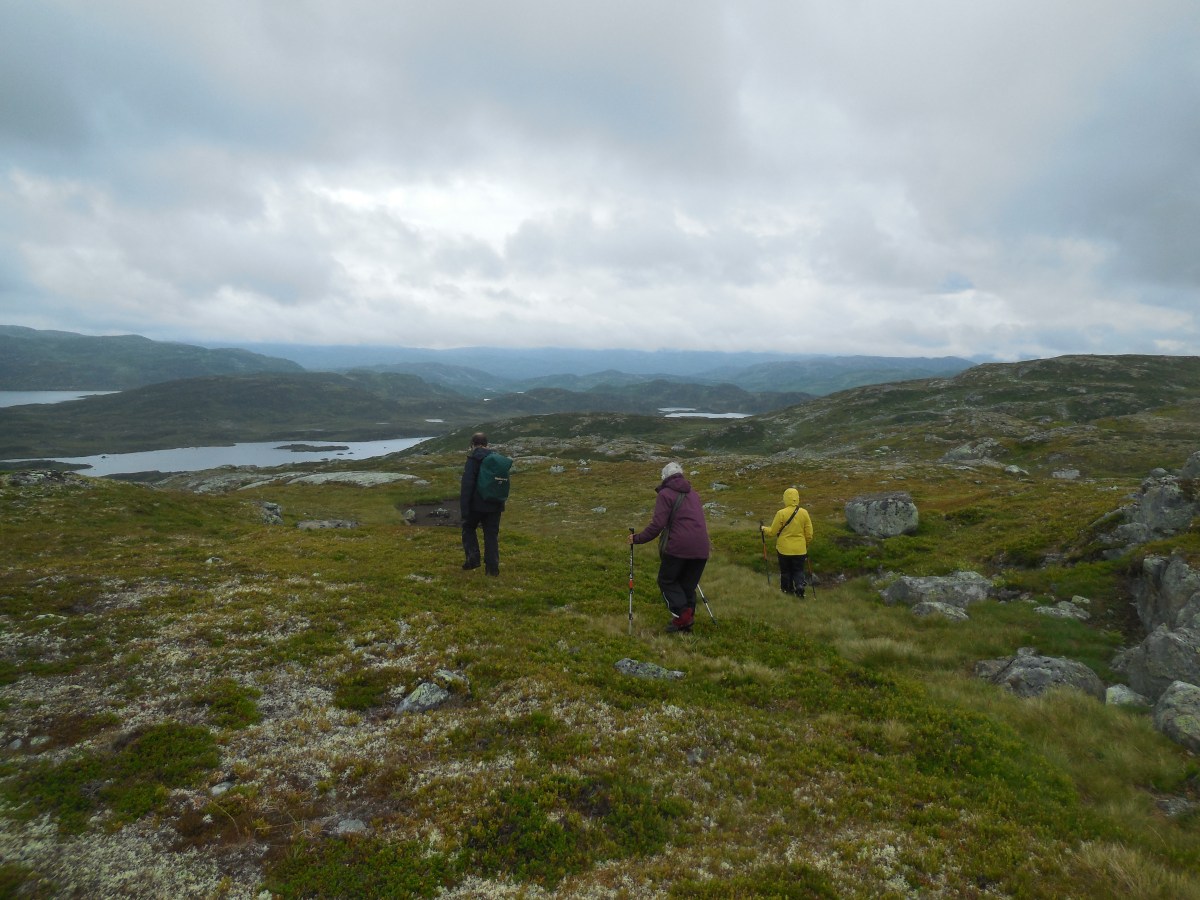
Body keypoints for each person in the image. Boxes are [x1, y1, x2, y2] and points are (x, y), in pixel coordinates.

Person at [628, 462, 710, 632]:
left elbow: (658, 525)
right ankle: (685, 624)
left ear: (664, 477)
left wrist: (637, 539)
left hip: (679, 546)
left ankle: (683, 616)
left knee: (667, 580)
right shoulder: (693, 494)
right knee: (687, 586)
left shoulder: (665, 494)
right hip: (702, 548)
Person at [460, 432, 504, 576]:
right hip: (494, 505)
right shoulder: (496, 459)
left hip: (476, 505)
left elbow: (467, 486)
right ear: (486, 444)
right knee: (491, 535)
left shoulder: (473, 460)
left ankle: (472, 558)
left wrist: (464, 509)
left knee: (468, 528)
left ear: (473, 444)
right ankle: (492, 569)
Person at [761, 487, 814, 597]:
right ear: (797, 498)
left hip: (784, 549)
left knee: (785, 571)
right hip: (800, 549)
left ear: (785, 498)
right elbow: (809, 533)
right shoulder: (804, 513)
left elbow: (772, 532)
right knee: (798, 570)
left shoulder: (781, 513)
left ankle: (787, 590)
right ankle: (799, 586)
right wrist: (805, 544)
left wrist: (763, 529)